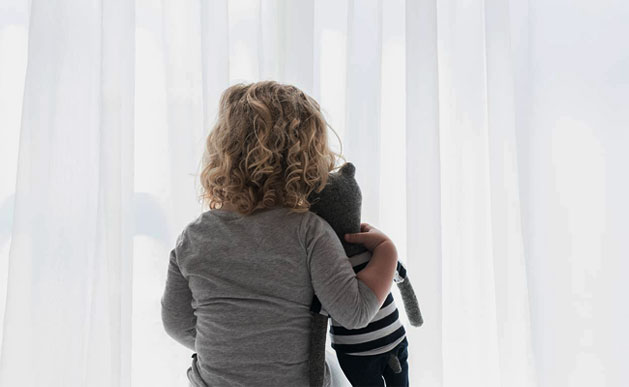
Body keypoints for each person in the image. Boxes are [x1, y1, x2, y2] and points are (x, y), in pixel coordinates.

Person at [160, 80, 399, 386]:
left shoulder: (193, 238)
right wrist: (387, 253)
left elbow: (177, 323)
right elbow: (353, 313)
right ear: (308, 160)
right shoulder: (308, 232)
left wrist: (233, 345)